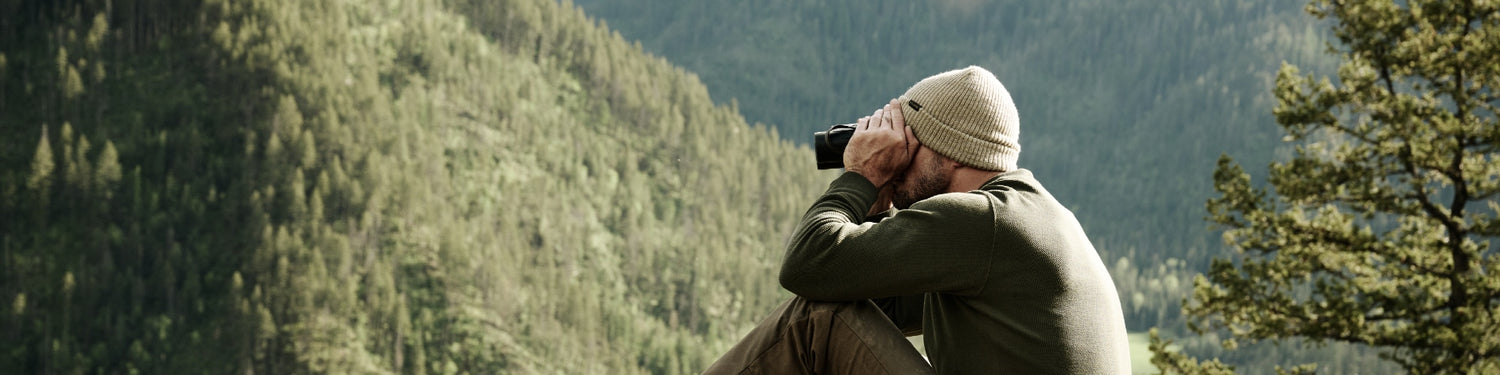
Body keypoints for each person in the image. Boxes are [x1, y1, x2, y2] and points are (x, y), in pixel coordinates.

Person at [703, 66, 1131, 374]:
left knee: (818, 319)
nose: (895, 159)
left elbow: (808, 266)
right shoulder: (1026, 218)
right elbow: (868, 298)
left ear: (945, 149)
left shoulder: (981, 220)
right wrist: (879, 208)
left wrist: (862, 177)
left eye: (905, 144)